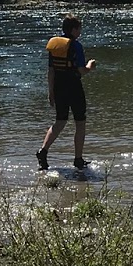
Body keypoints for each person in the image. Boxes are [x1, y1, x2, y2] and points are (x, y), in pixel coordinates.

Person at [37, 15, 95, 174]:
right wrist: (90, 65)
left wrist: (50, 92)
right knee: (80, 122)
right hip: (74, 87)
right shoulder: (76, 46)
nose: (80, 32)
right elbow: (82, 70)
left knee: (60, 121)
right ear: (74, 30)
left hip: (59, 87)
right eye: (79, 29)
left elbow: (51, 71)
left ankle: (43, 151)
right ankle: (78, 159)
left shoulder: (55, 46)